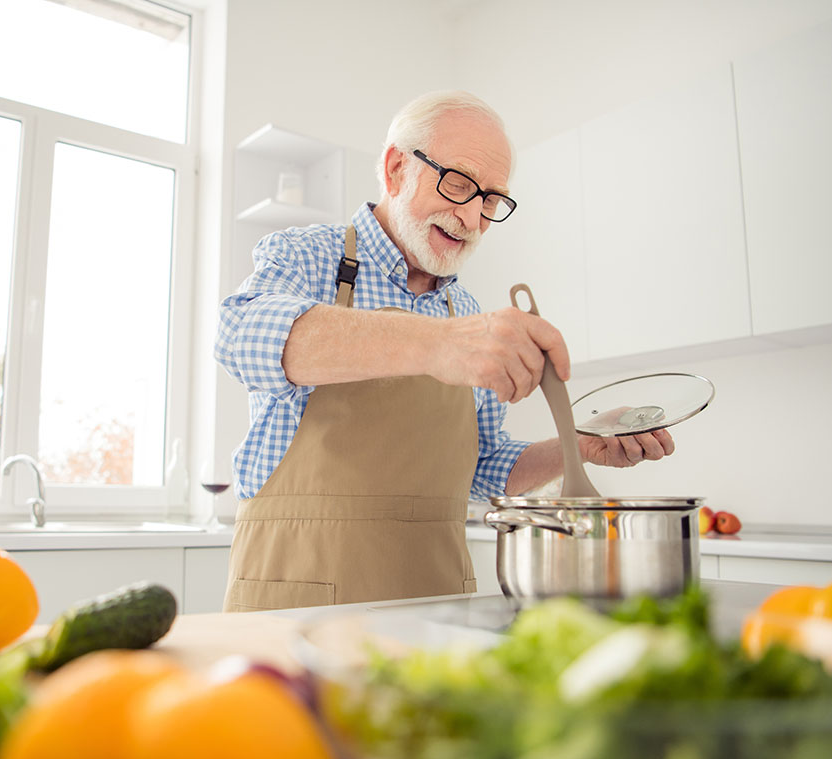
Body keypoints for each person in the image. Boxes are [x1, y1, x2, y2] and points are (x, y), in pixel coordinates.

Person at [214, 90, 675, 612]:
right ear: (395, 169)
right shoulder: (306, 256)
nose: (473, 218)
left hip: (432, 606)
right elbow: (238, 337)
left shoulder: (466, 310)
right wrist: (438, 344)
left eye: (491, 200)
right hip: (297, 601)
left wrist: (581, 444)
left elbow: (483, 468)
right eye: (459, 184)